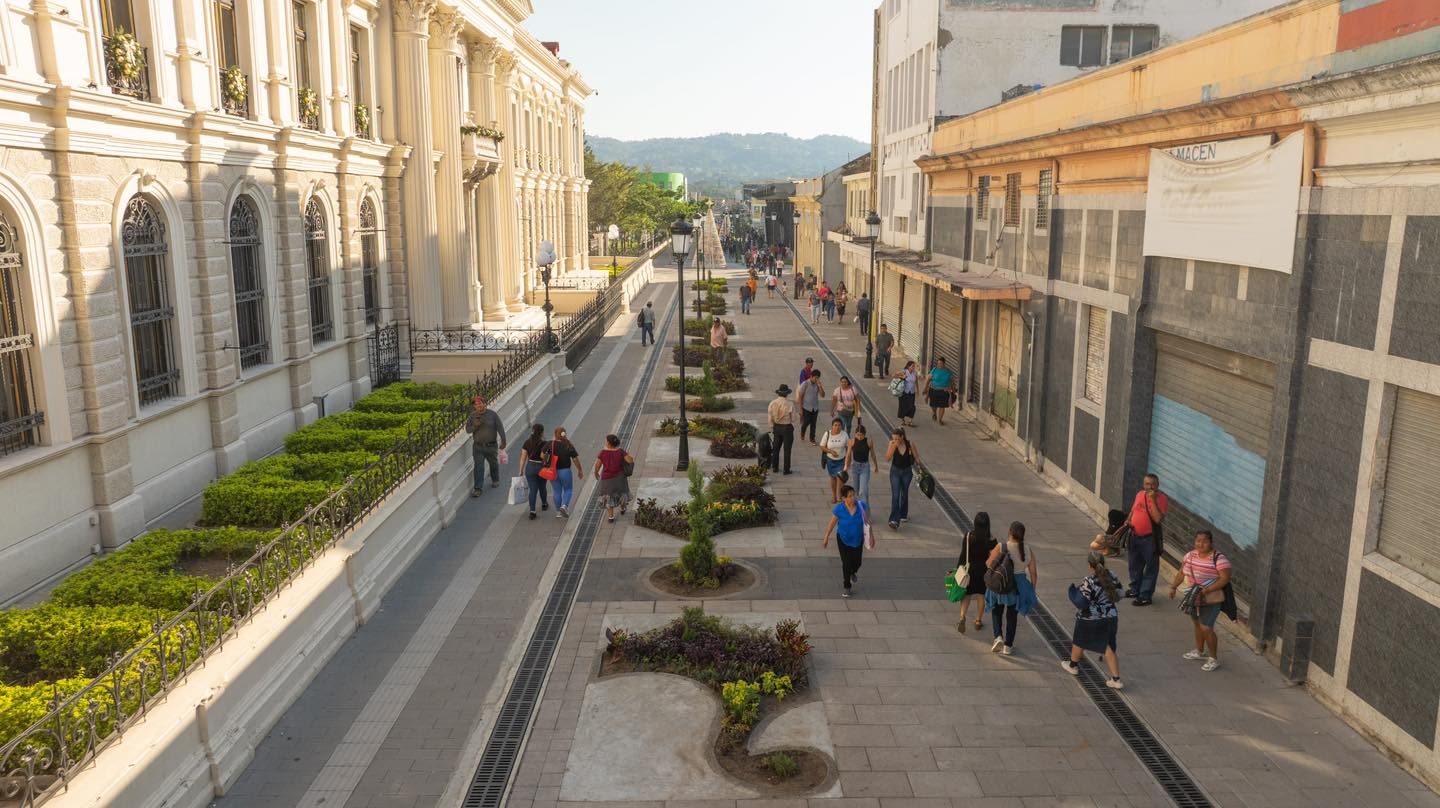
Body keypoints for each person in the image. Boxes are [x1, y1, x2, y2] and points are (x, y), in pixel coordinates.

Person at [1169, 530, 1231, 672]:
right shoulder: (1189, 556)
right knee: (1197, 624)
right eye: (1198, 541)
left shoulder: (1219, 559)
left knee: (1206, 627)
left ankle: (1213, 658)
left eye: (1205, 541)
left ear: (1211, 543)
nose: (1201, 544)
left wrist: (1207, 590)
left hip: (1210, 599)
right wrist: (1173, 587)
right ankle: (1199, 651)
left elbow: (1225, 578)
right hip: (1193, 597)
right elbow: (1181, 572)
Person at [1062, 551, 1125, 690]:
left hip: (1091, 618)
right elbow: (1120, 594)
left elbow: (1082, 602)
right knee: (1107, 646)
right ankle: (1116, 679)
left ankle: (1073, 666)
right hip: (1111, 616)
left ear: (1090, 565)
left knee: (1080, 640)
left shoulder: (1089, 581)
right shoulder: (1113, 575)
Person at [984, 521, 1038, 656]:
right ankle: (1008, 645)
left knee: (997, 610)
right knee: (1012, 615)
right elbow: (1033, 573)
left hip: (1001, 582)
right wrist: (1032, 588)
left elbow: (988, 563)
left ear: (1010, 532)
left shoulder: (1001, 546)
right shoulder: (1027, 550)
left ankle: (998, 636)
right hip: (1018, 586)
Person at [1125, 473, 1169, 606]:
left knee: (1151, 568)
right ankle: (1135, 589)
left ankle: (1145, 595)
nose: (1150, 487)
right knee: (1134, 565)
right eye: (1147, 484)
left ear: (1158, 485)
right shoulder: (1139, 494)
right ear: (1143, 484)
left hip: (1150, 539)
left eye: (1153, 484)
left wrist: (1152, 500)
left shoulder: (1162, 498)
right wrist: (1128, 520)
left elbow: (1158, 519)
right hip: (1134, 535)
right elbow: (1133, 510)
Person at [822, 484, 870, 598]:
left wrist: (871, 536)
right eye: (850, 496)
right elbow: (832, 523)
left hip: (858, 539)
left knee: (857, 562)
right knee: (846, 563)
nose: (853, 498)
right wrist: (826, 536)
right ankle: (847, 586)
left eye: (853, 495)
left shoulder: (861, 506)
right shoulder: (839, 509)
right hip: (843, 539)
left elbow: (867, 522)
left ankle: (853, 572)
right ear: (844, 498)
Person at [954, 511, 997, 633]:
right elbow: (994, 557)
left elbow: (963, 555)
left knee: (966, 594)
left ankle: (962, 617)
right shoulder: (991, 539)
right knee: (981, 595)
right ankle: (978, 620)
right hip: (984, 571)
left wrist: (958, 569)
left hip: (970, 571)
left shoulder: (968, 537)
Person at [465, 395, 507, 496]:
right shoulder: (472, 416)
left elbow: (500, 427)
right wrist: (475, 425)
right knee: (478, 467)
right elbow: (468, 430)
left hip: (491, 445)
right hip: (478, 447)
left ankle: (495, 479)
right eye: (476, 404)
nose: (479, 406)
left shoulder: (492, 415)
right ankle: (478, 489)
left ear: (484, 404)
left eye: (480, 403)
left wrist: (503, 440)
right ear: (474, 406)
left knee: (493, 464)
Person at [593, 434, 633, 524]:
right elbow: (630, 460)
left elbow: (598, 465)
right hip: (620, 478)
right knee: (622, 494)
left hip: (607, 479)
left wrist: (596, 472)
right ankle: (622, 508)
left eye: (606, 441)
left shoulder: (603, 452)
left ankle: (611, 517)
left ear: (608, 443)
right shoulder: (621, 452)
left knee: (608, 496)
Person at [884, 427, 918, 529]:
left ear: (902, 437)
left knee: (904, 493)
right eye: (893, 438)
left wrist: (922, 471)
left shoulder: (910, 444)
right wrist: (893, 447)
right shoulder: (892, 444)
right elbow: (887, 458)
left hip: (907, 472)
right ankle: (894, 520)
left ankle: (903, 514)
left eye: (897, 439)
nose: (895, 440)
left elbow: (917, 458)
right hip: (895, 472)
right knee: (896, 495)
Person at [547, 426, 583, 518]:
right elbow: (575, 459)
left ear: (555, 434)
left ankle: (558, 512)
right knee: (568, 489)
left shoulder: (550, 444)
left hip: (553, 471)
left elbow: (542, 455)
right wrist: (579, 470)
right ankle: (564, 506)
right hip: (565, 471)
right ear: (564, 434)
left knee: (556, 491)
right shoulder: (568, 445)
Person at [518, 423, 550, 519]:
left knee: (533, 490)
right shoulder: (544, 443)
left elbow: (523, 458)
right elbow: (545, 458)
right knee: (542, 487)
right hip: (541, 467)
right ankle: (544, 504)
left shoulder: (527, 442)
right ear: (542, 432)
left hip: (530, 467)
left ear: (532, 431)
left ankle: (532, 511)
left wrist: (521, 470)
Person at [844, 424, 877, 506]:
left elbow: (873, 454)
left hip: (865, 467)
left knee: (863, 490)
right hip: (855, 466)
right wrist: (846, 466)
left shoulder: (869, 441)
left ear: (864, 434)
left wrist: (876, 465)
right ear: (855, 434)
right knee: (855, 490)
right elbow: (848, 454)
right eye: (857, 434)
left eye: (861, 435)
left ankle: (864, 511)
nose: (859, 437)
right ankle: (856, 508)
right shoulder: (851, 441)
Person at [767, 384, 796, 475]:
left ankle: (775, 467)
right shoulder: (790, 404)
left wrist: (772, 427)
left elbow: (770, 418)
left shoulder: (772, 403)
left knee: (776, 448)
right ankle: (786, 469)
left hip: (777, 427)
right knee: (787, 450)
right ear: (787, 394)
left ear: (778, 393)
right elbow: (793, 419)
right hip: (787, 428)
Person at [820, 418, 850, 503]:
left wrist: (848, 460)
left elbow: (848, 447)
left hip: (841, 460)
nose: (837, 427)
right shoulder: (827, 434)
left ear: (842, 426)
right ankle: (834, 495)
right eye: (835, 425)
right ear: (832, 426)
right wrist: (831, 451)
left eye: (839, 425)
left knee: (840, 478)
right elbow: (822, 446)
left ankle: (840, 495)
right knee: (833, 478)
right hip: (830, 460)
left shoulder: (845, 435)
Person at [924, 357, 956, 424]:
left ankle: (940, 420)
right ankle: (934, 413)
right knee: (933, 405)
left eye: (940, 363)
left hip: (944, 392)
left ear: (944, 363)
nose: (939, 365)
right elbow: (928, 380)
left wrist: (953, 391)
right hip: (933, 390)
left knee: (942, 406)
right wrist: (925, 388)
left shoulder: (948, 372)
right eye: (938, 363)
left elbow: (952, 383)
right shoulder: (934, 370)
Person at [798, 370, 824, 444]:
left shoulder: (818, 384)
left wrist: (820, 386)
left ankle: (812, 438)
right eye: (815, 378)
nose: (817, 379)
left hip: (815, 407)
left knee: (813, 423)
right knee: (806, 422)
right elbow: (800, 396)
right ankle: (802, 432)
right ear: (811, 377)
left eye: (818, 378)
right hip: (806, 407)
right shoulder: (805, 384)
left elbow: (822, 395)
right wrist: (800, 409)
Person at [893, 360, 919, 427]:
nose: (913, 367)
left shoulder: (915, 373)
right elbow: (894, 375)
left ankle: (910, 421)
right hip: (904, 392)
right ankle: (903, 420)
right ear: (908, 366)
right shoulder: (904, 371)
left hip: (912, 393)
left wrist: (917, 390)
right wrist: (902, 377)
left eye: (914, 366)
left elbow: (916, 382)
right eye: (912, 366)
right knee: (902, 406)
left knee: (912, 407)